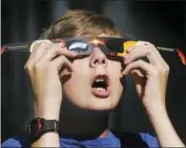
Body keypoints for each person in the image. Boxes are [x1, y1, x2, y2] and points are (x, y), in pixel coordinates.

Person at [2, 10, 185, 147]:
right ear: (50, 68)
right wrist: (46, 113)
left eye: (114, 49)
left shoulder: (147, 144)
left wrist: (157, 109)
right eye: (79, 48)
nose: (100, 58)